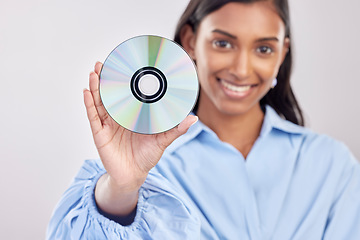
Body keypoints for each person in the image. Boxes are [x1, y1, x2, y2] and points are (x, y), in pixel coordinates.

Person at [47, 0, 360, 239]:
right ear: (190, 41)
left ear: (282, 53)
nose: (241, 69)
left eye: (264, 48)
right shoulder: (149, 164)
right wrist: (122, 189)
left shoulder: (331, 164)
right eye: (223, 43)